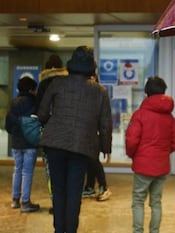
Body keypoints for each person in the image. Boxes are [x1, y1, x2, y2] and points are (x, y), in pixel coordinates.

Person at [37, 46, 112, 233]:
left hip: (55, 143)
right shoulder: (99, 91)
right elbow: (105, 123)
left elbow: (42, 113)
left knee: (58, 190)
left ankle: (58, 229)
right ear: (91, 67)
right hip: (82, 146)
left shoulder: (57, 83)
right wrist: (106, 148)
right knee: (74, 192)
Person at [125, 76, 175, 233]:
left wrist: (134, 155)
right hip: (161, 165)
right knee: (156, 202)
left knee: (138, 200)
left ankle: (138, 231)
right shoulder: (169, 116)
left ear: (146, 93)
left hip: (143, 166)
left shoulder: (140, 114)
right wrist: (162, 153)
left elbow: (131, 140)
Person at [36, 53, 69, 214]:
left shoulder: (43, 83)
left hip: (49, 131)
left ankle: (56, 203)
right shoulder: (66, 82)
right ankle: (68, 202)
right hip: (67, 130)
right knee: (68, 167)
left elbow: (40, 109)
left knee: (52, 169)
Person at [5, 76, 40, 213]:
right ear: (31, 89)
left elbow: (8, 123)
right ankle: (25, 202)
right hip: (30, 142)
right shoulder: (34, 102)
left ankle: (15, 200)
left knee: (17, 170)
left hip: (16, 142)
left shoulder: (14, 103)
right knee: (27, 172)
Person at [82, 74, 112, 202]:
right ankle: (89, 187)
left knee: (93, 160)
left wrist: (106, 145)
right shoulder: (83, 92)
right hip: (83, 133)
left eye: (92, 77)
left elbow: (105, 121)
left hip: (94, 134)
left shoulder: (100, 92)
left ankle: (103, 187)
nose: (90, 80)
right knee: (89, 161)